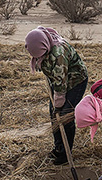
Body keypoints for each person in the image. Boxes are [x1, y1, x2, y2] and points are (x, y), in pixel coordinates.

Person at [25, 26, 88, 165]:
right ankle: (58, 147)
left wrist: (59, 105)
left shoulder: (59, 54)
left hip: (76, 80)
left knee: (65, 115)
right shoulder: (42, 39)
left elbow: (61, 84)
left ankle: (66, 153)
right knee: (54, 115)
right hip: (58, 80)